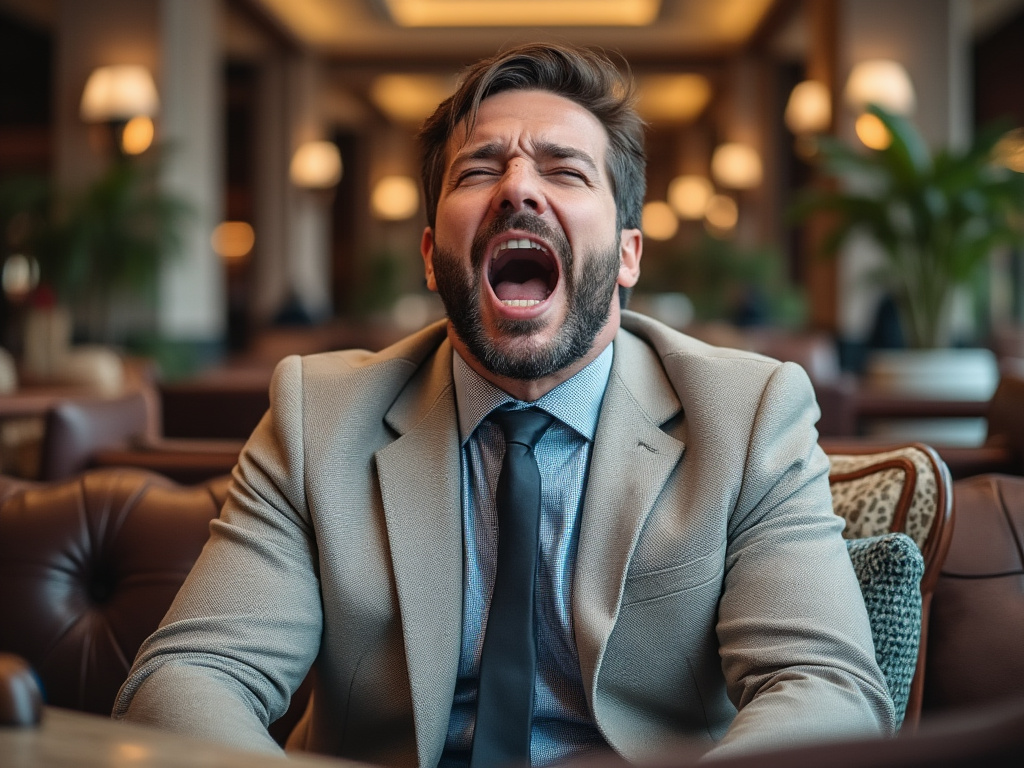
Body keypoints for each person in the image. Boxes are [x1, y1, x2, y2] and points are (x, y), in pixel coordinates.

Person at [114, 42, 895, 766]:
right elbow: (191, 675)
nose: (519, 186)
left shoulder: (748, 411)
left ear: (628, 254)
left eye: (564, 170)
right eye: (479, 171)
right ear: (430, 255)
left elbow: (824, 686)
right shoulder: (317, 416)